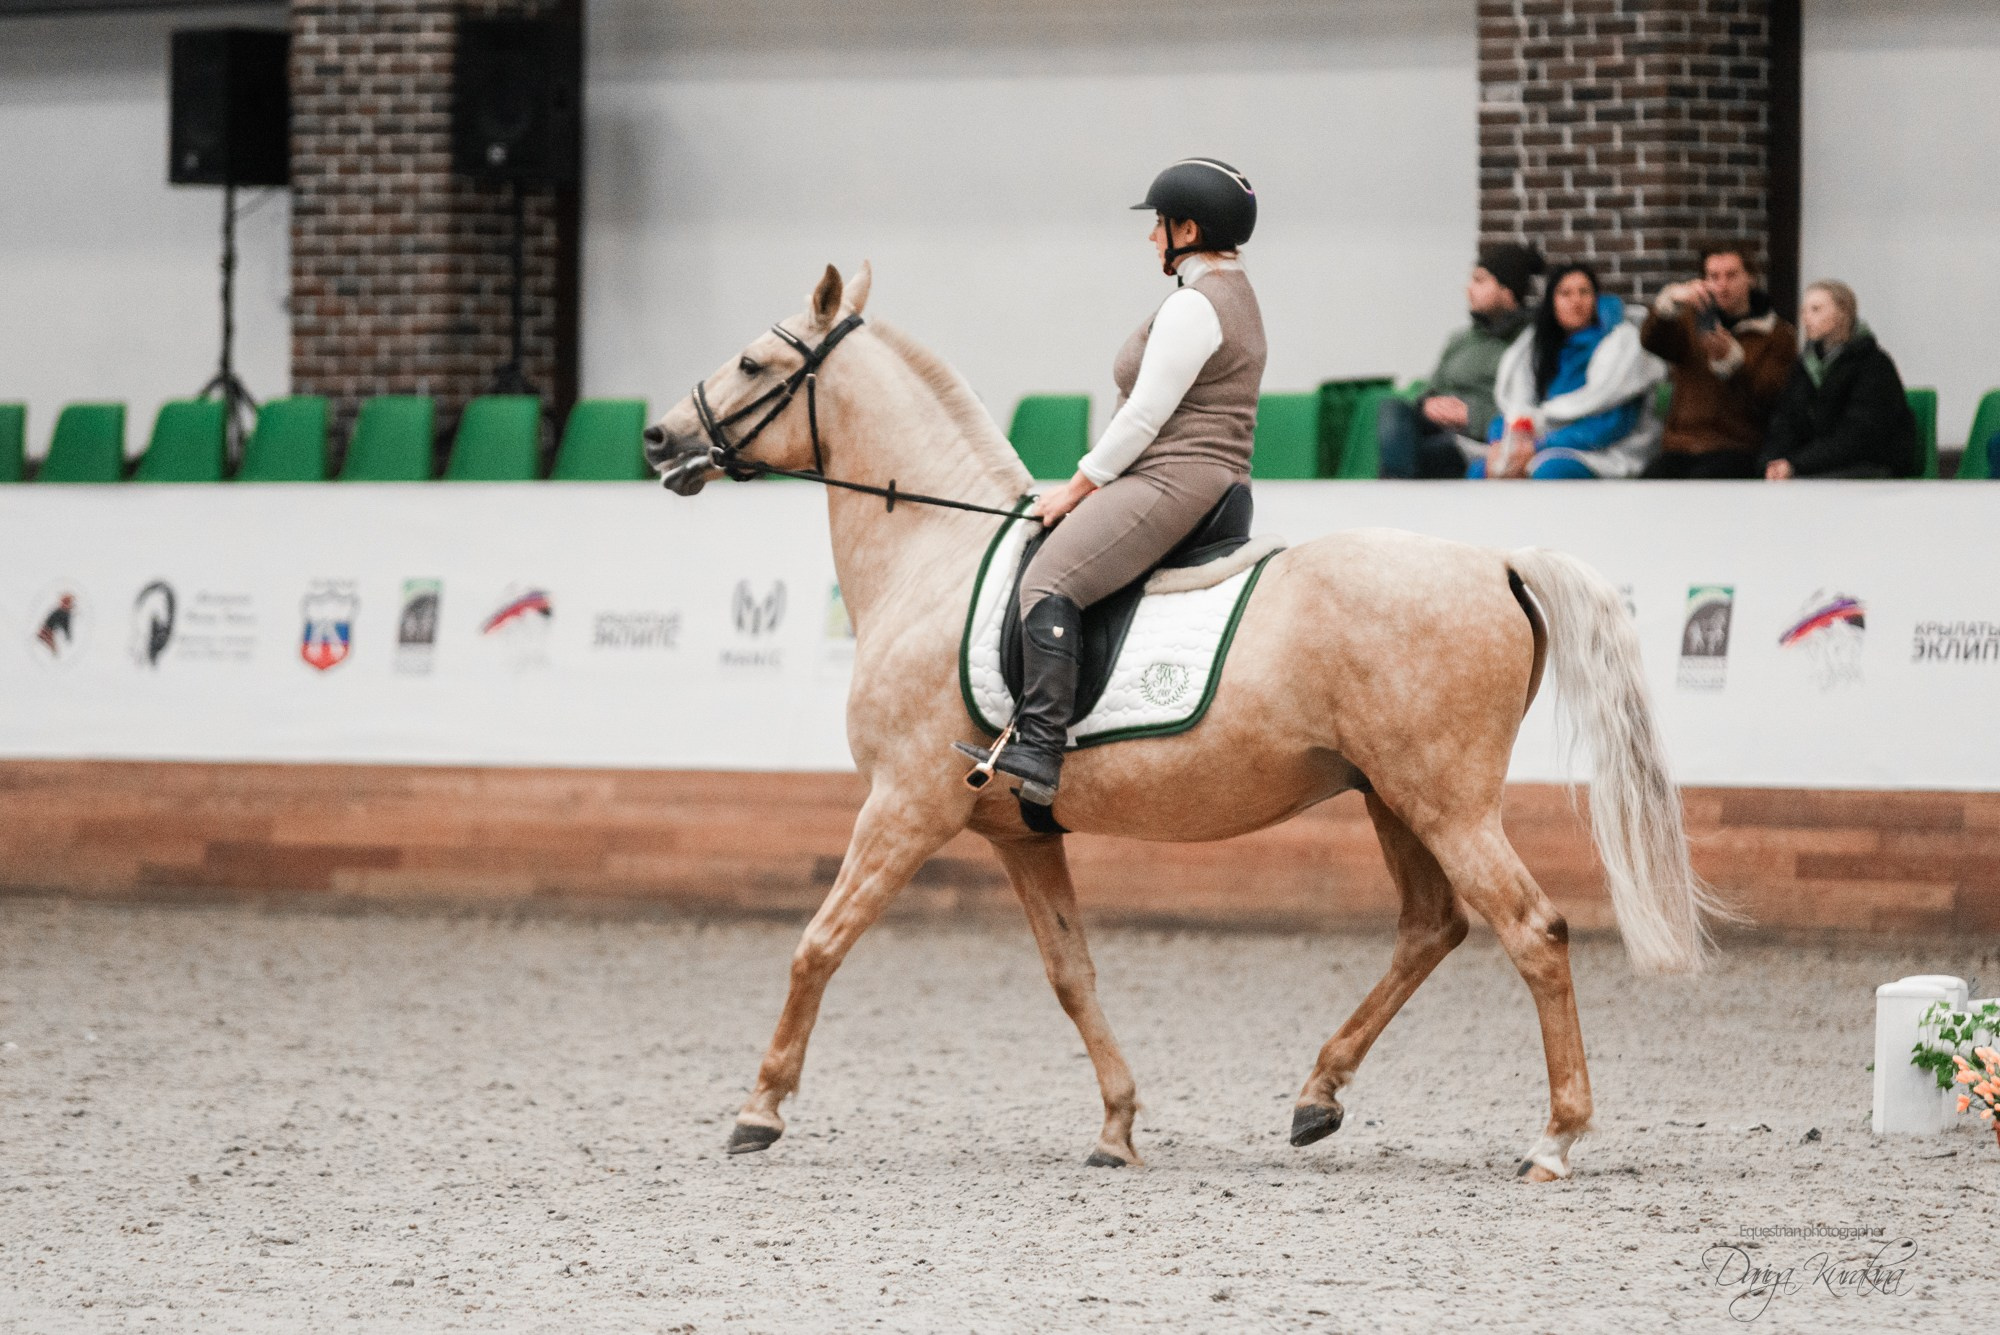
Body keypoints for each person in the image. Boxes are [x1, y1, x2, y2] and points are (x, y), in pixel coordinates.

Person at [989, 157, 1266, 805]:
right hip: (1205, 479)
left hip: (1177, 478)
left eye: (1161, 225)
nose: (1152, 238)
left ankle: (1040, 743)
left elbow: (1145, 414)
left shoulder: (1198, 306)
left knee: (1048, 578)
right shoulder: (1230, 294)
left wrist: (1078, 485)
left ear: (1189, 230)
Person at [1470, 261, 1664, 479]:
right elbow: (1516, 411)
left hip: (1604, 452)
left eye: (1584, 292)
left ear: (1596, 300)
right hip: (1541, 444)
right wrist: (1502, 444)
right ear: (1552, 303)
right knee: (1482, 470)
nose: (1576, 301)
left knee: (1549, 470)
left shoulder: (1620, 347)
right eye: (1565, 293)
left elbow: (1613, 424)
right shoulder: (1536, 350)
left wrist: (1538, 447)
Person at [1377, 244, 1541, 479]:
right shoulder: (1460, 339)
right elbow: (1430, 386)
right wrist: (1427, 404)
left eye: (1480, 281)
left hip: (1478, 440)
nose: (1469, 289)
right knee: (1391, 408)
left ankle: (1393, 496)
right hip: (1434, 426)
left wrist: (1471, 415)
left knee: (1418, 455)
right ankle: (1398, 493)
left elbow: (1528, 408)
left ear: (1507, 290)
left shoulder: (1526, 344)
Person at [1639, 243, 1797, 478]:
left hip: (1737, 448)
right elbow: (1652, 341)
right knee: (1644, 491)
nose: (1722, 286)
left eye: (1731, 276)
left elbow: (1774, 396)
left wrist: (1733, 362)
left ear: (1751, 278)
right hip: (1680, 446)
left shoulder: (1777, 334)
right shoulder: (1689, 321)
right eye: (1714, 277)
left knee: (1704, 485)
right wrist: (1669, 302)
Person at [1761, 280, 1918, 480]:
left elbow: (1859, 435)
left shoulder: (1874, 364)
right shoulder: (1805, 365)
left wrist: (1797, 464)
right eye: (1804, 311)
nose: (1806, 318)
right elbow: (1785, 420)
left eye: (1816, 309)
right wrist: (1773, 460)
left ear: (1843, 312)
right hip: (1817, 463)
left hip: (1870, 465)